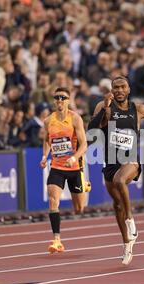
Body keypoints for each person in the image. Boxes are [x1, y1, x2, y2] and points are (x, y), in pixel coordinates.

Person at [87, 76, 144, 265]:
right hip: (110, 162)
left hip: (132, 160)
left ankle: (131, 222)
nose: (119, 90)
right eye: (115, 87)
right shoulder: (104, 107)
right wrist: (104, 108)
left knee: (120, 181)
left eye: (123, 87)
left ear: (128, 89)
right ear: (111, 90)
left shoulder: (139, 109)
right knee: (117, 205)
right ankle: (127, 244)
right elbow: (91, 130)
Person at [40, 87, 90, 254]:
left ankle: (85, 185)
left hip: (74, 167)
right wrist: (44, 156)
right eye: (57, 98)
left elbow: (84, 144)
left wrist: (74, 157)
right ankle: (57, 240)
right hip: (57, 167)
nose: (60, 100)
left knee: (79, 209)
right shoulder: (48, 121)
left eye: (63, 97)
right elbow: (47, 140)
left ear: (68, 101)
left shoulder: (75, 119)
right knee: (53, 200)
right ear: (54, 101)